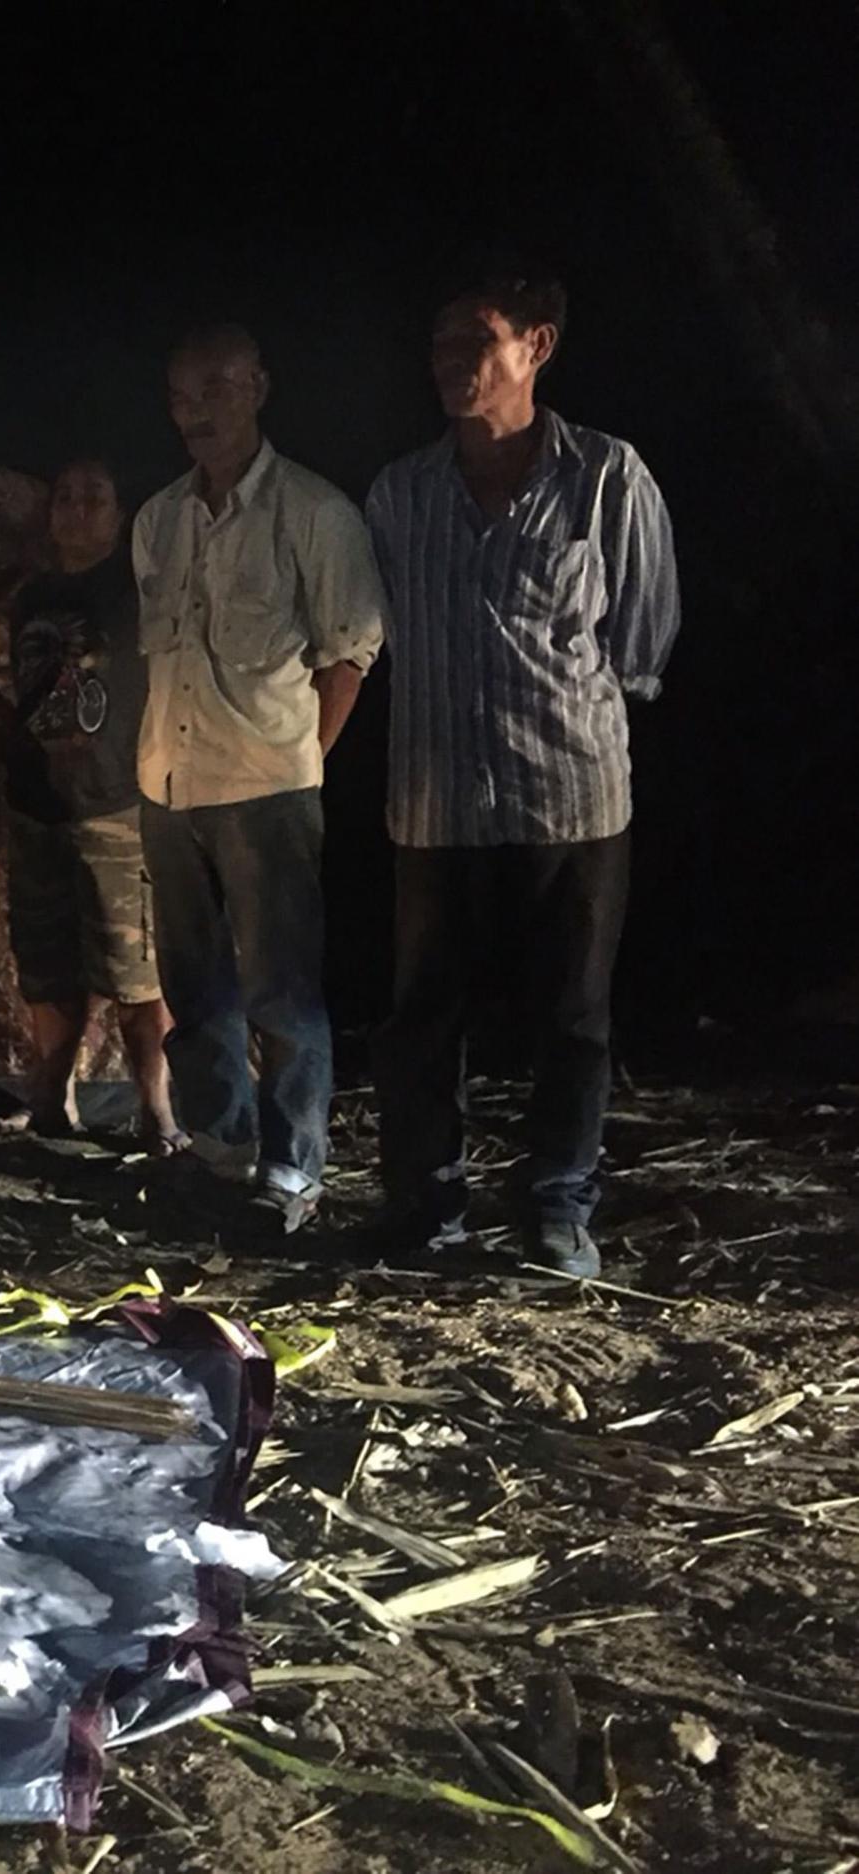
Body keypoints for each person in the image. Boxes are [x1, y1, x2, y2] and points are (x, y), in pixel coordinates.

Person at [366, 266, 680, 1277]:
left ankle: (556, 1203)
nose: (453, 362)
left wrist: (570, 721)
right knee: (422, 1014)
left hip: (570, 796)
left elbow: (641, 638)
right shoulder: (399, 493)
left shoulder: (605, 477)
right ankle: (424, 1206)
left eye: (479, 339)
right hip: (434, 795)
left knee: (570, 1018)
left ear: (536, 345)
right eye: (440, 344)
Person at [133, 325, 389, 1233]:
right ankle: (220, 1144)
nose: (194, 410)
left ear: (258, 388)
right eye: (179, 395)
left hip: (267, 787)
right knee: (195, 988)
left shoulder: (314, 513)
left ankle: (293, 1168)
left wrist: (302, 765)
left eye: (214, 388)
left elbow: (347, 653)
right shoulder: (157, 518)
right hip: (168, 784)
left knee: (281, 990)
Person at [5, 455, 178, 1148]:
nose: (77, 510)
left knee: (136, 973)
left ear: (119, 513)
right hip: (35, 805)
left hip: (114, 806)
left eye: (93, 498)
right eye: (65, 497)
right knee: (48, 966)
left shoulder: (139, 593)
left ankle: (157, 1112)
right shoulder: (31, 596)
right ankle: (52, 1100)